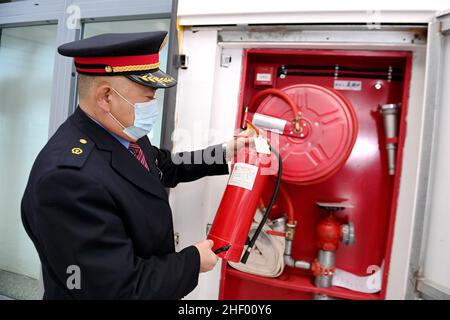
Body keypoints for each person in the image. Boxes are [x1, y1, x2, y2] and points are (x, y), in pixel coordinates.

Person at [21, 31, 244, 299]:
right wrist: (192, 262)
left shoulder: (123, 132)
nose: (152, 106)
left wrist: (223, 152)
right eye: (147, 98)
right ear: (106, 97)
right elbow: (117, 290)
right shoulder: (68, 179)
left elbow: (165, 166)